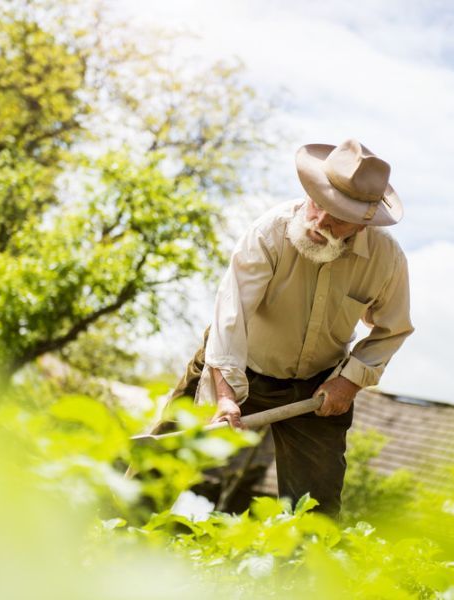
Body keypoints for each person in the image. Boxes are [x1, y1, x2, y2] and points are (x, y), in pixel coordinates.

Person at [171, 138, 414, 518]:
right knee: (163, 457)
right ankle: (110, 542)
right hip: (233, 362)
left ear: (365, 221)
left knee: (314, 513)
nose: (319, 222)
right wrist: (225, 394)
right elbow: (230, 317)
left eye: (337, 217)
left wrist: (349, 381)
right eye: (319, 204)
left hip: (314, 390)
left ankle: (296, 577)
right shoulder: (269, 232)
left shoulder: (387, 260)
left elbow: (392, 330)